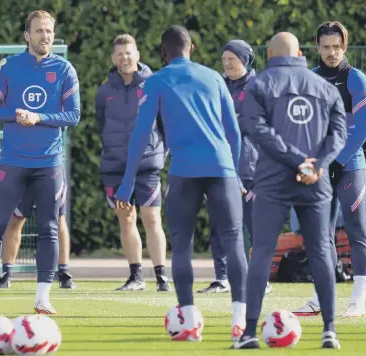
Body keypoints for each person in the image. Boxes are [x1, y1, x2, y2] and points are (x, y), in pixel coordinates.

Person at [116, 25, 248, 341]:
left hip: (185, 173)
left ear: (164, 52)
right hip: (222, 170)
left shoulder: (156, 81)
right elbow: (234, 133)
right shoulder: (215, 78)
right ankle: (241, 321)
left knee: (183, 246)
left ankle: (189, 321)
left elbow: (140, 136)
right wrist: (237, 173)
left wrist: (127, 183)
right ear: (192, 48)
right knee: (234, 241)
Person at [0, 10, 80, 315]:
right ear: (27, 36)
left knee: (49, 228)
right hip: (12, 162)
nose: (45, 36)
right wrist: (17, 114)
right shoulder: (9, 67)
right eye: (39, 31)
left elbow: (73, 116)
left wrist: (39, 117)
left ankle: (43, 297)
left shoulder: (65, 70)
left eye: (49, 31)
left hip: (49, 163)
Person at [232, 32, 347, 349]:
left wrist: (297, 161)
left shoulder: (259, 85)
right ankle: (330, 331)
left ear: (269, 53)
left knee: (262, 253)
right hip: (316, 181)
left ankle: (250, 333)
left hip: (272, 181)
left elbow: (256, 129)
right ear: (300, 52)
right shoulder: (325, 86)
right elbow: (340, 134)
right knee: (321, 251)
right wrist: (316, 165)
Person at [292, 21, 366, 319]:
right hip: (320, 169)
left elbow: (362, 131)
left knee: (356, 232)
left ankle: (358, 301)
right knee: (319, 236)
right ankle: (319, 298)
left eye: (337, 47)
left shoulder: (357, 80)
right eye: (325, 47)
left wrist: (331, 162)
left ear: (345, 46)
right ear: (317, 47)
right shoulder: (309, 79)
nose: (331, 52)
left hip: (350, 166)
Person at [95, 34, 171, 292]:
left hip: (147, 166)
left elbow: (166, 125)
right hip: (115, 166)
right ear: (112, 58)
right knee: (126, 219)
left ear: (137, 54)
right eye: (119, 54)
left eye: (128, 52)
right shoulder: (105, 91)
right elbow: (101, 125)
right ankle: (136, 276)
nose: (124, 58)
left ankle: (162, 276)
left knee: (151, 218)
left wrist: (159, 153)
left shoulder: (154, 84)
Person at [198, 39, 273, 295]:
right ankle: (221, 277)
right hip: (218, 167)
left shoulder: (259, 85)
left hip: (252, 170)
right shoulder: (216, 84)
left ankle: (260, 278)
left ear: (246, 59)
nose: (227, 63)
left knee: (256, 226)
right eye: (224, 59)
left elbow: (256, 124)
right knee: (220, 225)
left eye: (233, 58)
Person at [0, 163, 76, 289]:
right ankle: (6, 274)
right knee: (16, 219)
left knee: (58, 219)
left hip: (51, 167)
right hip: (22, 168)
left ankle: (64, 273)